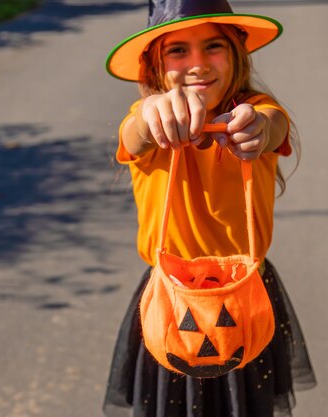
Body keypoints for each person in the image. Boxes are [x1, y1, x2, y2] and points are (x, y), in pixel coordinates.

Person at [103, 1, 317, 416]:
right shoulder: (146, 118)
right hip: (172, 300)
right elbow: (136, 132)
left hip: (244, 297)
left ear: (236, 52)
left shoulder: (257, 111)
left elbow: (273, 127)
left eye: (213, 46)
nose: (198, 63)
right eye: (178, 51)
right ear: (154, 67)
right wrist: (152, 114)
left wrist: (256, 127)